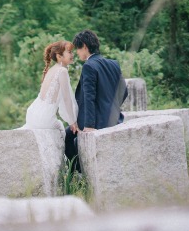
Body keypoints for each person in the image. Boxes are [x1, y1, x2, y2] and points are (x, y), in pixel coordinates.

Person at [65, 29, 127, 171]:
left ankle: (78, 174)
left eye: (78, 49)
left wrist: (89, 125)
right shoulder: (114, 64)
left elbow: (89, 97)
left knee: (67, 135)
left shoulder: (88, 66)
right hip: (115, 119)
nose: (77, 53)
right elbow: (124, 91)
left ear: (85, 47)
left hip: (95, 123)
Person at [22, 40, 77, 131]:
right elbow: (67, 99)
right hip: (44, 117)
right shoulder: (62, 71)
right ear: (59, 56)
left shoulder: (52, 69)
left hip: (33, 113)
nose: (72, 55)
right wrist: (72, 122)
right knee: (61, 129)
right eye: (70, 52)